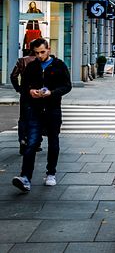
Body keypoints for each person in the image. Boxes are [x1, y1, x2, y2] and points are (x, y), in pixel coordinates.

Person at [12, 38, 71, 192]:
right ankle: (25, 177)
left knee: (53, 142)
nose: (40, 55)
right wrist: (31, 91)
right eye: (37, 53)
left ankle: (51, 173)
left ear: (49, 49)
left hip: (52, 109)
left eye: (42, 52)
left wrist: (52, 93)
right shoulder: (32, 67)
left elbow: (67, 86)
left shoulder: (59, 65)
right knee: (31, 143)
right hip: (35, 109)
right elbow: (24, 87)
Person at [11, 54, 39, 155]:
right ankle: (35, 142)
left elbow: (13, 76)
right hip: (38, 93)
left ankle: (23, 141)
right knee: (37, 117)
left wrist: (18, 88)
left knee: (23, 118)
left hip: (25, 93)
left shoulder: (22, 60)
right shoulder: (41, 59)